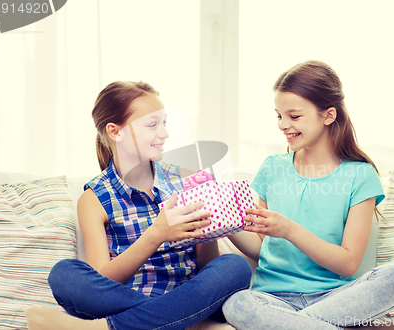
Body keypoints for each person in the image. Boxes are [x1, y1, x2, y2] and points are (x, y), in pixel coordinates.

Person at [222, 61, 394, 330]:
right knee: (238, 304)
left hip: (335, 298)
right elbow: (261, 246)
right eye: (278, 116)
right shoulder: (272, 168)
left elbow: (347, 264)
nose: (283, 125)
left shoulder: (360, 176)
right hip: (272, 300)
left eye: (294, 116)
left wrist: (289, 229)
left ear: (328, 115)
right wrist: (223, 223)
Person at [25, 81, 252, 330]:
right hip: (129, 298)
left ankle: (111, 327)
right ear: (115, 131)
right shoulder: (95, 198)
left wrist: (209, 228)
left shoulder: (183, 177)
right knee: (64, 274)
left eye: (164, 123)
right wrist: (156, 235)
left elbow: (205, 267)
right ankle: (183, 323)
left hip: (191, 293)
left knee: (234, 267)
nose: (164, 134)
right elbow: (103, 278)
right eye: (152, 125)